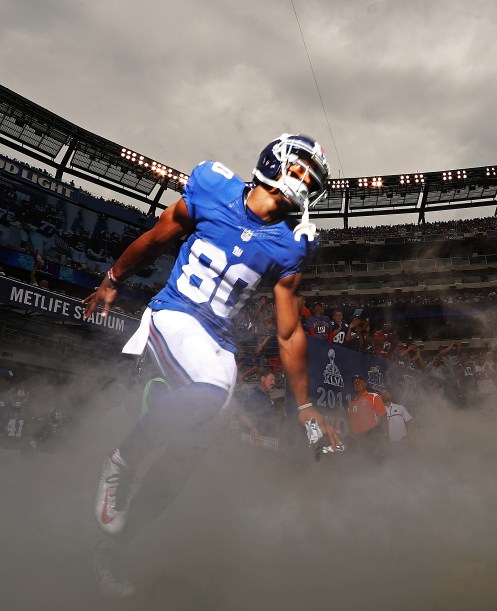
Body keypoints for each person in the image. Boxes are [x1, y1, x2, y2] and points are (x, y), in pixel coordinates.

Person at [81, 133, 342, 597]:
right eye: (299, 169)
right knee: (209, 392)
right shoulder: (211, 185)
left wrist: (304, 407)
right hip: (175, 311)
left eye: (312, 178)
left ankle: (114, 546)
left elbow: (288, 332)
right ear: (274, 161)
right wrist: (112, 279)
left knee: (190, 455)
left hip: (218, 340)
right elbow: (159, 237)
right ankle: (122, 459)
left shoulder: (290, 245)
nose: (304, 182)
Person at [345, 374, 387, 456]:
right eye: (354, 382)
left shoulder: (374, 397)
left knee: (375, 462)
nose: (356, 383)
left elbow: (383, 418)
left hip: (372, 436)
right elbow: (350, 422)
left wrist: (385, 436)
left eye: (359, 381)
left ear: (365, 384)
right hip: (357, 439)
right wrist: (351, 437)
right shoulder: (351, 403)